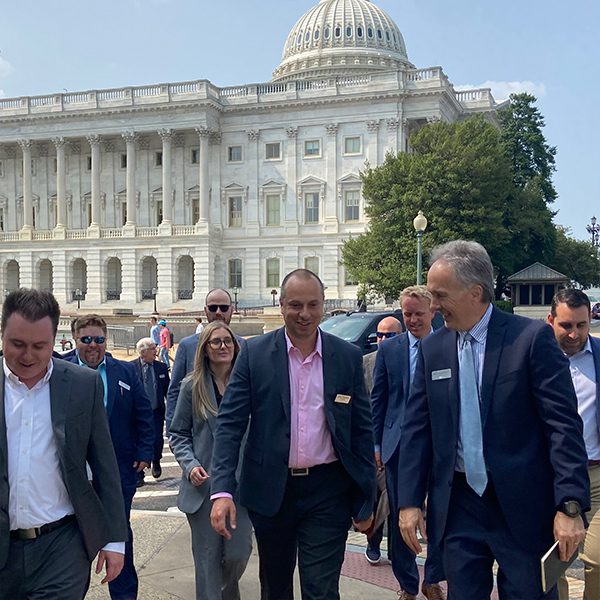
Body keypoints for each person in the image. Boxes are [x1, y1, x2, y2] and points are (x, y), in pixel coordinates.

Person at [397, 240, 589, 600]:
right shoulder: (433, 349)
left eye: (440, 295)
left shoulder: (530, 340)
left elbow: (563, 427)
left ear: (475, 292)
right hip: (459, 507)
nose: (433, 306)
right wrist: (408, 501)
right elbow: (416, 430)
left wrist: (569, 505)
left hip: (523, 507)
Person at [210, 269, 376, 600]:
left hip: (328, 490)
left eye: (313, 305)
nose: (304, 314)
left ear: (323, 305)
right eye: (295, 305)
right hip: (272, 489)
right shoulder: (255, 355)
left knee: (321, 588)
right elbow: (230, 424)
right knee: (275, 587)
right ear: (282, 304)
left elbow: (361, 429)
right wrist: (222, 490)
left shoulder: (345, 357)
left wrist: (367, 495)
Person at [0, 289, 127, 599]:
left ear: (56, 340)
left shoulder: (83, 385)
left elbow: (104, 464)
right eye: (17, 344)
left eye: (39, 346)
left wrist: (114, 540)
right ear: (1, 333)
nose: (28, 356)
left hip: (62, 546)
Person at [66, 315, 154, 600]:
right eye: (87, 339)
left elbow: (143, 412)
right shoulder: (59, 369)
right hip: (73, 475)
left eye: (99, 339)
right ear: (75, 339)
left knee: (119, 533)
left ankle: (124, 595)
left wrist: (145, 451)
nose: (94, 345)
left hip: (119, 471)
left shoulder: (125, 372)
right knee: (73, 543)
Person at [371, 286, 445, 600]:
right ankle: (407, 584)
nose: (413, 319)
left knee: (442, 514)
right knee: (401, 515)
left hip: (440, 444)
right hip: (397, 445)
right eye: (407, 314)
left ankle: (434, 577)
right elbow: (379, 399)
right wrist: (376, 445)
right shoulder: (390, 350)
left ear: (433, 312)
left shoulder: (447, 345)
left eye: (418, 313)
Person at [171, 321, 252, 599]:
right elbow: (178, 433)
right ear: (205, 350)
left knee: (239, 554)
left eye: (227, 341)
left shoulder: (247, 385)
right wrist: (190, 464)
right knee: (207, 561)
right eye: (215, 342)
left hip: (239, 486)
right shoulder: (191, 387)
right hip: (203, 488)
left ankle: (221, 592)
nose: (223, 346)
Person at [548, 289, 600, 600]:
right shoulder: (533, 357)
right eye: (566, 325)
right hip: (548, 477)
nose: (574, 334)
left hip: (596, 476)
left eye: (581, 325)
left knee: (598, 560)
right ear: (550, 320)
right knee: (552, 566)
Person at [166, 288, 238, 432]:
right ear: (206, 311)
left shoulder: (243, 346)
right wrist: (172, 430)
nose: (218, 312)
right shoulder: (187, 346)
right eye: (213, 308)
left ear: (231, 310)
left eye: (223, 308)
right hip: (198, 434)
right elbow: (175, 390)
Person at [361, 315, 402, 566]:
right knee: (376, 495)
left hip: (396, 444)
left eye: (390, 335)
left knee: (394, 495)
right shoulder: (364, 363)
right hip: (368, 443)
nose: (384, 340)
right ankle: (373, 542)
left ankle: (394, 549)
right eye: (380, 335)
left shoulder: (407, 363)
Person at [131, 338, 170, 485]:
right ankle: (139, 473)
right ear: (143, 352)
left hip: (156, 411)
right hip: (137, 414)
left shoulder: (161, 367)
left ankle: (156, 460)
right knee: (137, 440)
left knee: (157, 439)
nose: (156, 351)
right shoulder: (131, 368)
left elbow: (168, 390)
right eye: (153, 349)